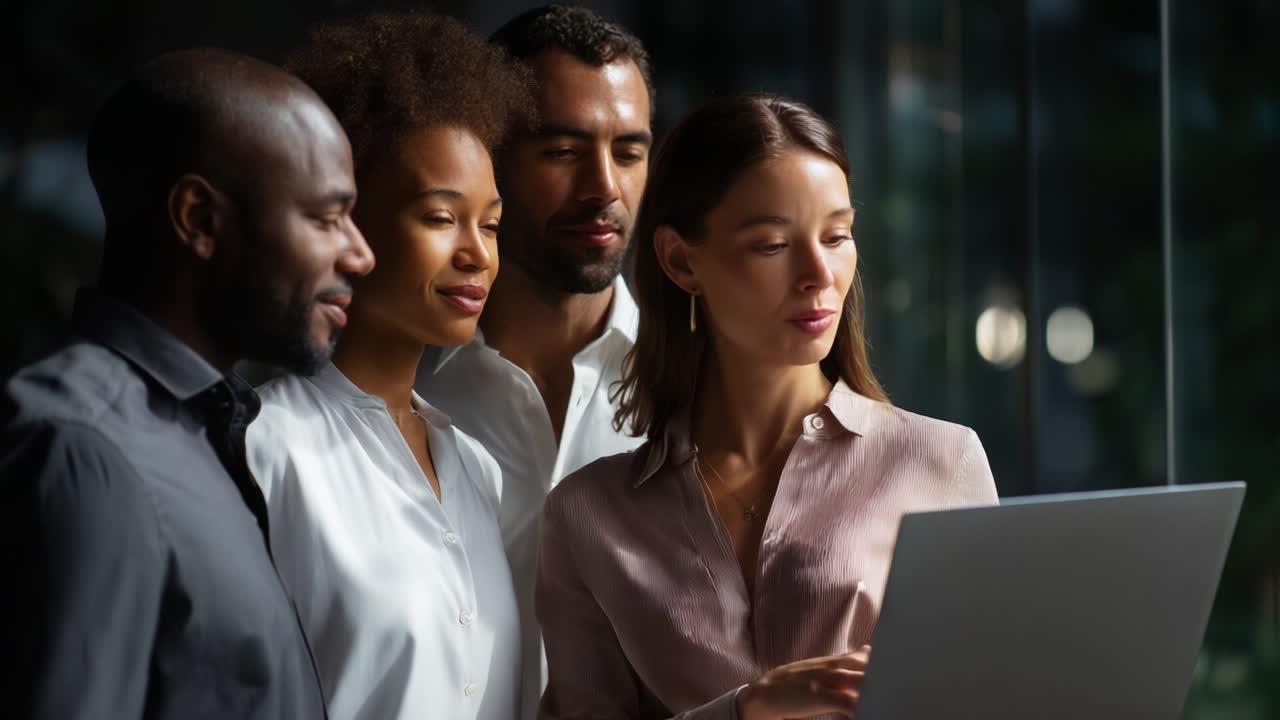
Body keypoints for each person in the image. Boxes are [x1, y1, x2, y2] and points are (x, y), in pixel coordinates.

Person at [536, 95, 1000, 720]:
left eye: (837, 236)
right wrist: (744, 711)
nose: (819, 274)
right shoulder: (588, 513)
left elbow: (990, 695)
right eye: (773, 245)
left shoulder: (942, 462)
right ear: (681, 260)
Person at [0, 48, 374, 718]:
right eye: (327, 218)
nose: (360, 253)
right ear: (198, 219)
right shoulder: (87, 449)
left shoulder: (199, 432)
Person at [245, 12, 533, 720]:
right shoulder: (267, 445)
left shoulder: (476, 469)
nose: (478, 254)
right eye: (440, 217)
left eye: (491, 224)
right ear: (351, 222)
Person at [414, 6, 653, 712]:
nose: (605, 187)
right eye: (563, 151)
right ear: (489, 157)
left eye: (629, 152)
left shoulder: (703, 389)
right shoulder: (397, 390)